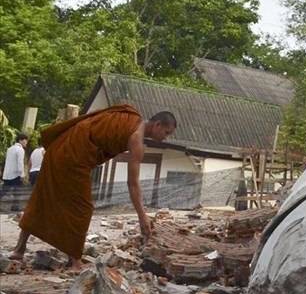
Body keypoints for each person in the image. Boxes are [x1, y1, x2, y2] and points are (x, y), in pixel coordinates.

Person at [9, 104, 176, 271]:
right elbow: (133, 183)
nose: (165, 137)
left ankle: (19, 250)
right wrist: (142, 216)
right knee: (83, 208)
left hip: (60, 148)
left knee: (42, 199)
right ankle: (75, 261)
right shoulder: (136, 139)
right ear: (157, 124)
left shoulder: (131, 115)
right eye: (166, 133)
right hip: (72, 158)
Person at [1, 133, 28, 208]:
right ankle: (15, 207)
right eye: (25, 141)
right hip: (15, 174)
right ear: (20, 141)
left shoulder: (9, 149)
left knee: (3, 191)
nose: (26, 143)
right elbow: (20, 163)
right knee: (17, 191)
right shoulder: (20, 150)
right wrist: (22, 174)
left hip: (7, 174)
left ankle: (15, 207)